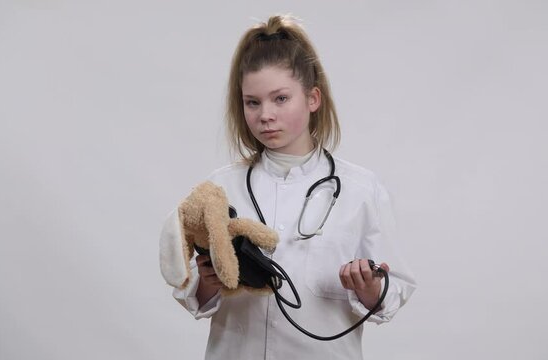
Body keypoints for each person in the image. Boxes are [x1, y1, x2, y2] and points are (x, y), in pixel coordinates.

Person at [163, 15, 416, 360]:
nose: (265, 114)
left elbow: (394, 290)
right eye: (252, 102)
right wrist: (208, 279)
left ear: (313, 99)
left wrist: (370, 287)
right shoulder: (221, 187)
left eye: (280, 99)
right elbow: (190, 289)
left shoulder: (362, 190)